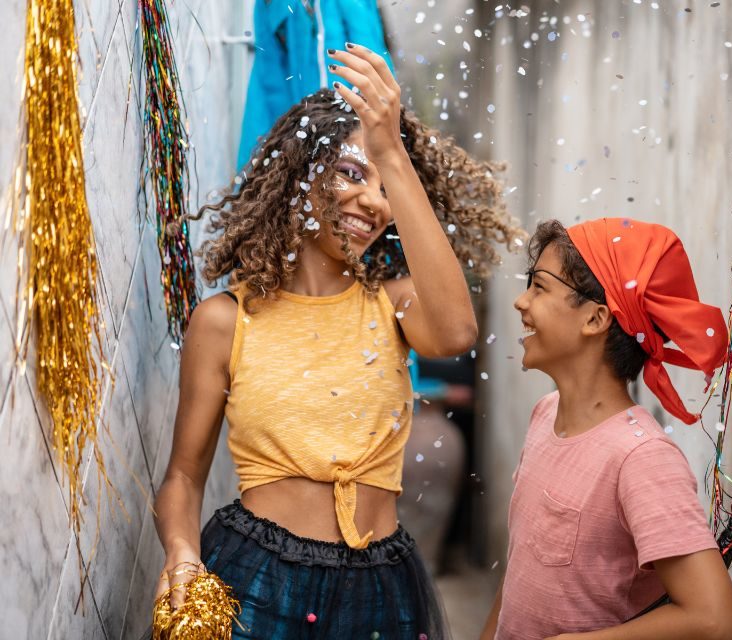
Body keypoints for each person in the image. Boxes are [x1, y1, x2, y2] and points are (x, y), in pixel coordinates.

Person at [152, 45, 521, 639]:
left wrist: (390, 151)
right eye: (352, 172)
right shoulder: (226, 320)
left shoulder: (393, 302)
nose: (372, 202)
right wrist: (181, 553)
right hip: (256, 583)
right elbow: (183, 477)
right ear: (301, 174)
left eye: (385, 187)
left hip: (379, 588)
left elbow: (455, 332)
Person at [481, 218, 732, 640]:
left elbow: (715, 618)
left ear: (596, 318)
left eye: (539, 287)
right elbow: (520, 570)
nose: (520, 302)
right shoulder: (545, 414)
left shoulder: (641, 458)